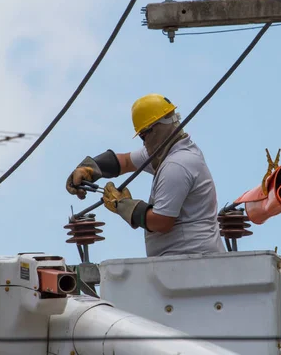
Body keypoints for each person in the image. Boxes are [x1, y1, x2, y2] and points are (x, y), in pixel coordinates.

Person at [66, 93, 226, 257]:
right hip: (185, 262)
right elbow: (126, 162)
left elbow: (162, 222)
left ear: (157, 129)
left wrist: (123, 205)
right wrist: (89, 168)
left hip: (193, 263)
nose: (143, 142)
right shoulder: (167, 152)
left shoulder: (176, 165)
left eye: (144, 135)